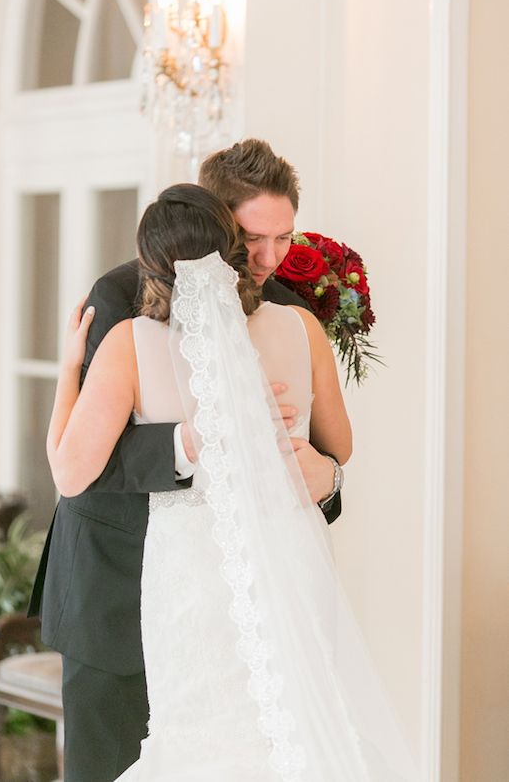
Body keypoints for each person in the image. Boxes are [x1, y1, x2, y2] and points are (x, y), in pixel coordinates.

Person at [47, 185, 416, 782]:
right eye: (253, 241)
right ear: (224, 232)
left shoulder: (141, 340)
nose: (267, 259)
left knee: (208, 742)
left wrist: (327, 476)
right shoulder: (291, 327)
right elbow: (338, 436)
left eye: (283, 238)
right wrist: (200, 438)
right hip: (120, 585)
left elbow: (67, 468)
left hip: (196, 575)